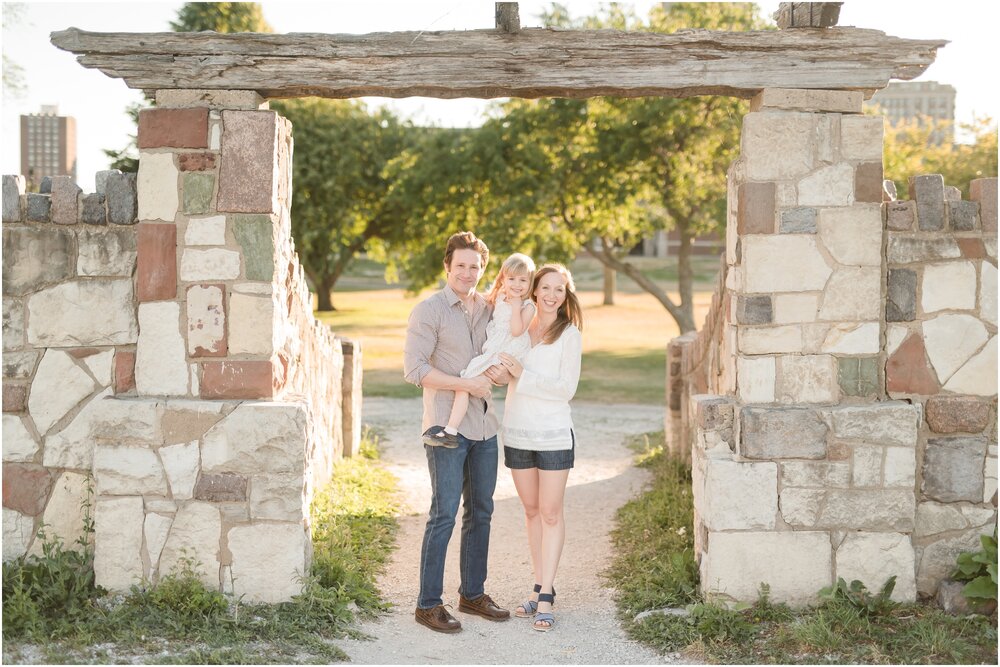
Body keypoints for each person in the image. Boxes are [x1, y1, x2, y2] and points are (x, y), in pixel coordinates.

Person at [402, 231, 511, 633]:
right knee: (443, 513)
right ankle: (427, 604)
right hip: (445, 426)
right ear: (447, 266)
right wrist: (466, 385)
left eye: (476, 266)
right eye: (461, 265)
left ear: (484, 269)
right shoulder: (428, 311)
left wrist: (500, 371)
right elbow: (415, 370)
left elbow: (502, 351)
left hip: (483, 426)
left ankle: (473, 594)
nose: (468, 272)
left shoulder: (489, 309)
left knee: (481, 510)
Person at [497, 263, 584, 633]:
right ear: (534, 290)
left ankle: (546, 594)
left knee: (550, 513)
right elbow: (503, 368)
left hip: (552, 435)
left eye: (559, 290)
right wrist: (501, 372)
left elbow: (567, 389)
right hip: (517, 431)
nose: (551, 295)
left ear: (566, 297)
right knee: (531, 512)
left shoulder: (570, 334)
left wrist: (522, 374)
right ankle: (537, 584)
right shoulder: (519, 326)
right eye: (545, 287)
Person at [423, 252, 536, 448]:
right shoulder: (501, 297)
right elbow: (483, 302)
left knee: (465, 382)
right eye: (511, 279)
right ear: (503, 279)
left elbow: (517, 331)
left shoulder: (528, 306)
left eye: (523, 280)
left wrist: (516, 305)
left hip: (506, 352)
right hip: (493, 349)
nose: (517, 285)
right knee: (467, 383)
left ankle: (450, 430)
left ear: (530, 282)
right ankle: (451, 430)